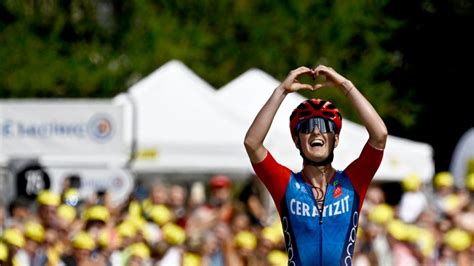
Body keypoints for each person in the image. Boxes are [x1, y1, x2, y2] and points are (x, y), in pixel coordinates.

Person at [244, 65, 387, 265]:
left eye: (325, 127)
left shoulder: (352, 182)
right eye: (308, 127)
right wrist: (281, 92)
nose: (317, 132)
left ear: (335, 139)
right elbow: (252, 143)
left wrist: (345, 85)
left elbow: (380, 136)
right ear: (297, 141)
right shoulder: (286, 184)